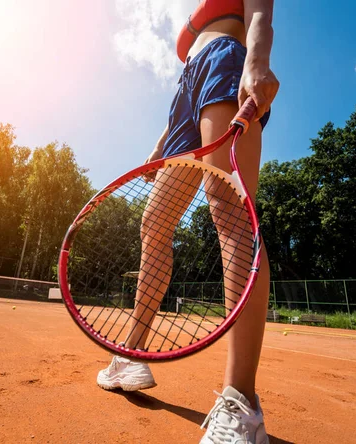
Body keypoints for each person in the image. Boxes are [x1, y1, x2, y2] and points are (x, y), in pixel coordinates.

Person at [97, 0, 279, 442]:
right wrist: (160, 143)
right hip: (187, 92)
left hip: (226, 62)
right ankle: (132, 355)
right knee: (154, 222)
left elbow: (260, 14)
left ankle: (242, 402)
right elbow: (183, 90)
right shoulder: (191, 20)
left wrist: (256, 60)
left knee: (229, 207)